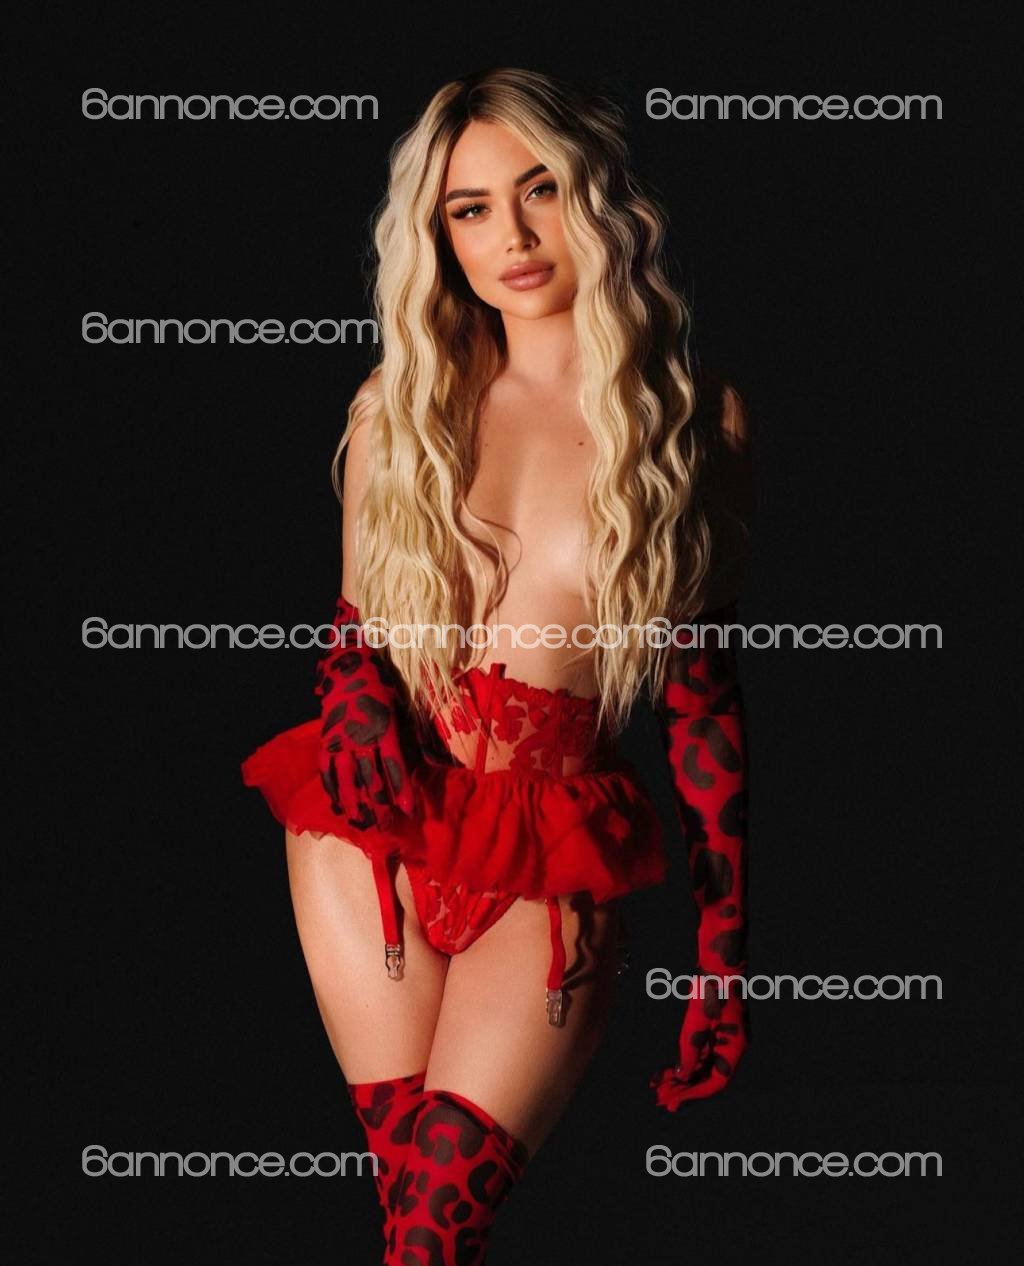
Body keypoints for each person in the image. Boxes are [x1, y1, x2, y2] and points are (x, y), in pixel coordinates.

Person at [241, 66, 753, 1266]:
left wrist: (722, 954)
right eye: (469, 208)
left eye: (540, 190)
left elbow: (702, 706)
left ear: (601, 196)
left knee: (431, 1232)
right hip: (370, 827)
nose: (511, 237)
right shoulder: (401, 405)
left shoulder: (697, 423)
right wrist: (355, 698)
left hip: (546, 846)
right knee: (413, 1229)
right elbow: (355, 631)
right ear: (440, 234)